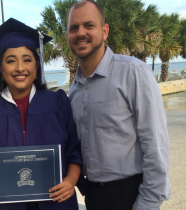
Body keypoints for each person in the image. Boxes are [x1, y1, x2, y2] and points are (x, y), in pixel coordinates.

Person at [66, 1, 171, 210]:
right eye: (73, 28)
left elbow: (156, 144)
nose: (81, 33)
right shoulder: (75, 89)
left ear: (104, 31)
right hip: (94, 196)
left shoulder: (133, 73)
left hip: (130, 195)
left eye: (89, 25)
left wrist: (146, 203)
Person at [0, 18, 82, 210]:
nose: (20, 68)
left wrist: (71, 180)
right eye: (11, 61)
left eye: (27, 60)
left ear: (37, 67)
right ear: (1, 68)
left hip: (56, 202)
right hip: (4, 204)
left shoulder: (57, 102)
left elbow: (74, 149)